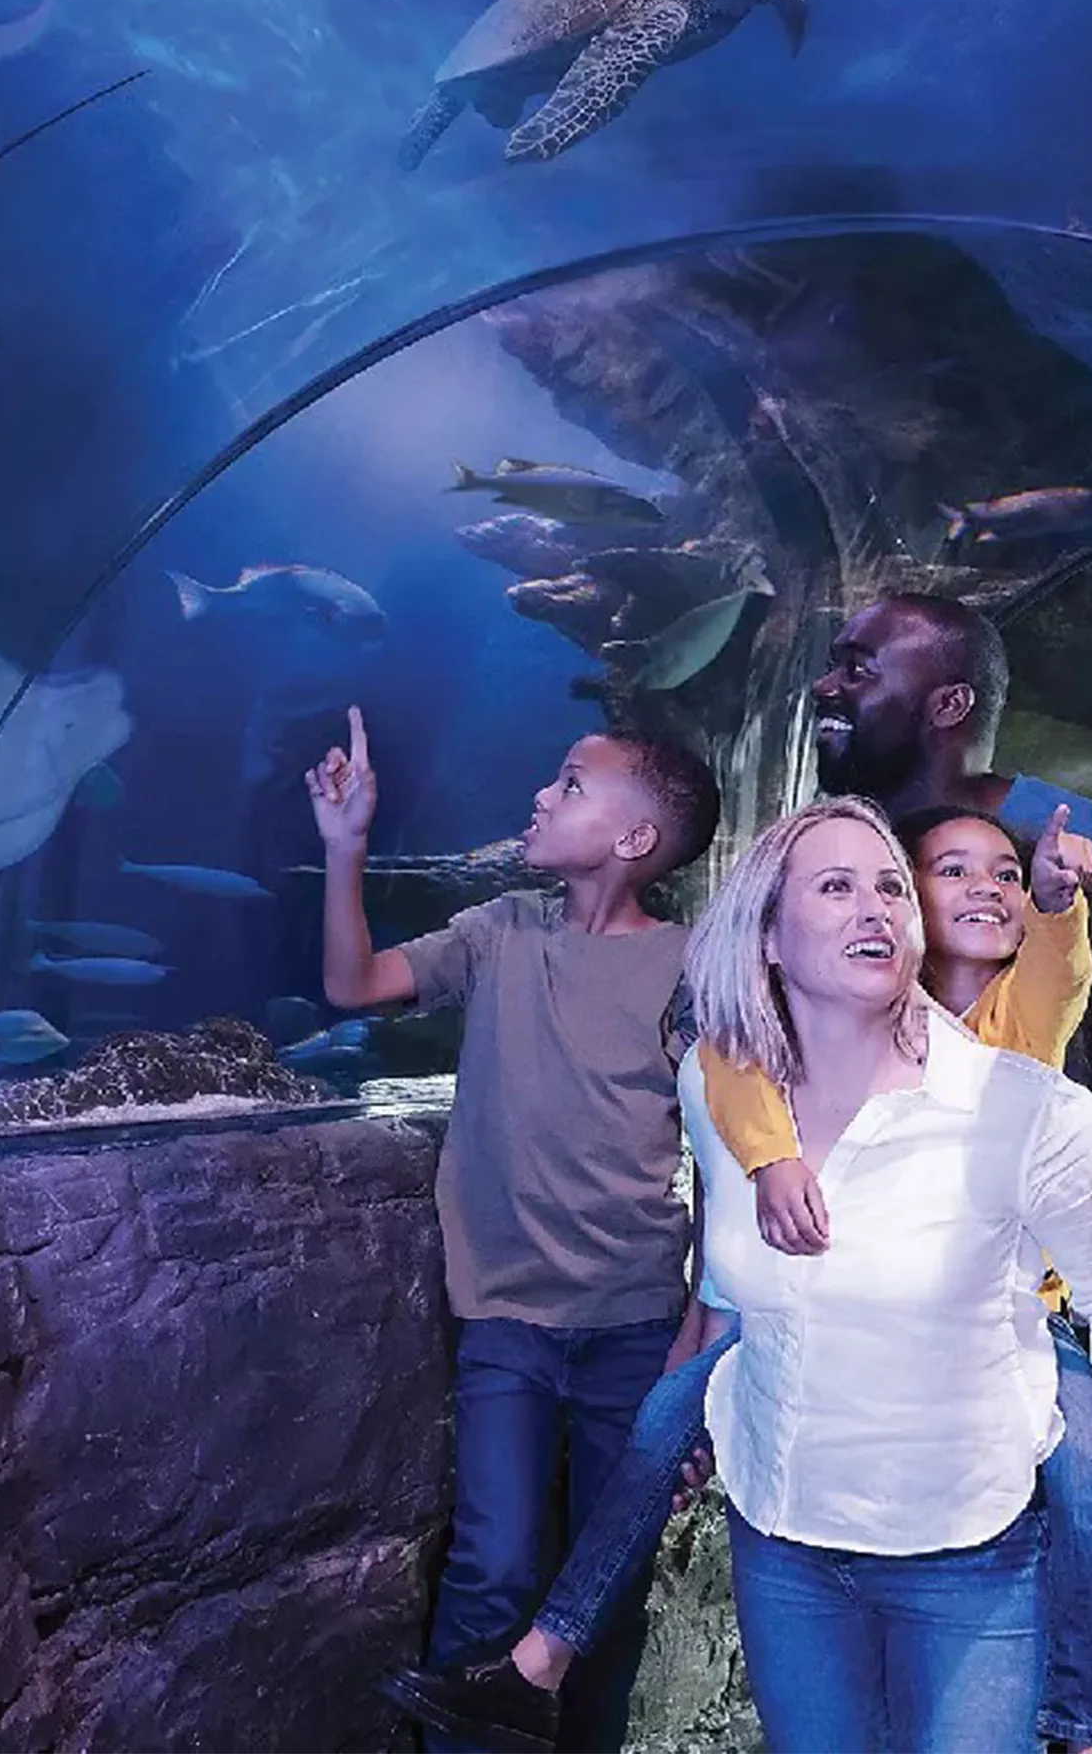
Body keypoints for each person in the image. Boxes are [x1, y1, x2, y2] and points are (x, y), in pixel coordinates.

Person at [380, 801, 1092, 1753]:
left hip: (1011, 1330)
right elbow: (729, 1060)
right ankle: (539, 1663)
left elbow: (1063, 971)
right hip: (801, 1324)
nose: (985, 888)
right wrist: (774, 1164)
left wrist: (1059, 899)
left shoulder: (1023, 1022)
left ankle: (1087, 1720)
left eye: (1005, 876)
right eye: (947, 871)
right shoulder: (831, 1016)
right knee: (657, 1426)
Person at [686, 797, 1092, 1751]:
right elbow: (726, 1291)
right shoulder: (719, 1096)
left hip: (969, 1556)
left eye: (886, 888)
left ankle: (1088, 1719)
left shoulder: (1017, 1106)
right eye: (836, 887)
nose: (874, 907)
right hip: (782, 1535)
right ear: (768, 937)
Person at [812, 590, 1092, 1752]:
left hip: (1029, 1309)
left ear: (946, 703)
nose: (826, 685)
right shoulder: (839, 848)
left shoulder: (1070, 840)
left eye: (856, 666)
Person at [308, 706, 720, 1754]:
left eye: (572, 784)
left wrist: (699, 1342)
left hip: (634, 1321)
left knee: (604, 1582)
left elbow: (728, 1151)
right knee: (491, 1564)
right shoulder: (497, 935)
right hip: (506, 1323)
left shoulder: (690, 970)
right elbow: (353, 986)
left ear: (636, 840)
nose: (543, 795)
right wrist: (345, 846)